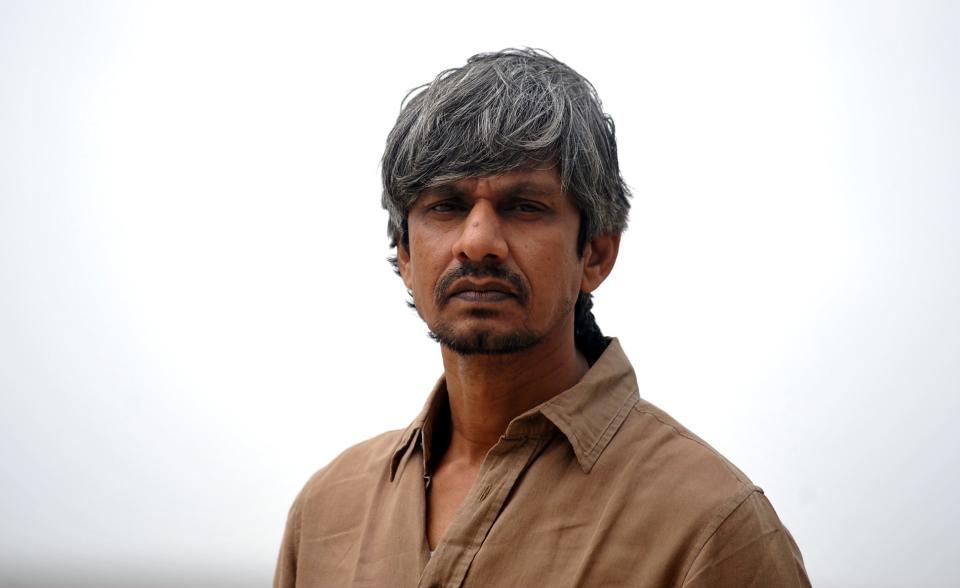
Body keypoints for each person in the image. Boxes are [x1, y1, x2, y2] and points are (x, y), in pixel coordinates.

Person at [273, 49, 810, 587]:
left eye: (524, 206)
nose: (478, 242)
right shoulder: (327, 512)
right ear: (407, 257)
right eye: (446, 206)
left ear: (595, 253)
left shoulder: (710, 527)